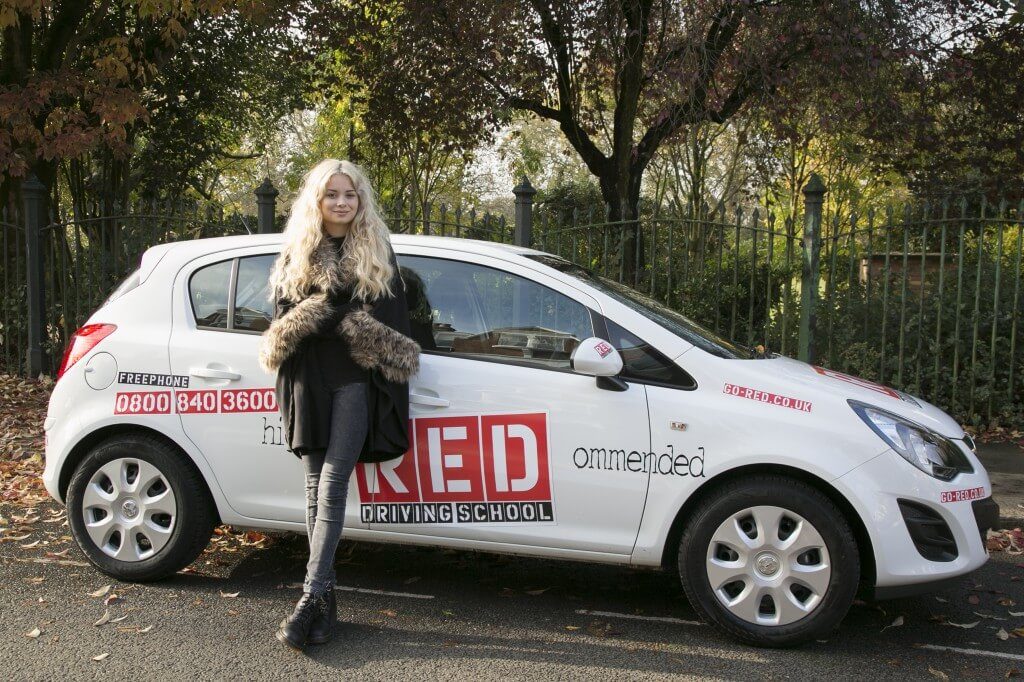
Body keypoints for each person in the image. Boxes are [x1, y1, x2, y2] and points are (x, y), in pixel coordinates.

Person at [258, 158, 421, 651]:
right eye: (332, 195)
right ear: (318, 201)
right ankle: (325, 606)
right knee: (312, 489)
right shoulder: (297, 252)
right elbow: (285, 321)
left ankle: (309, 597)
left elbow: (392, 322)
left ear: (360, 200)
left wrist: (340, 318)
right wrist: (323, 312)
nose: (342, 202)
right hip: (310, 380)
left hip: (353, 382)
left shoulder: (376, 249)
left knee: (330, 486)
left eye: (349, 194)